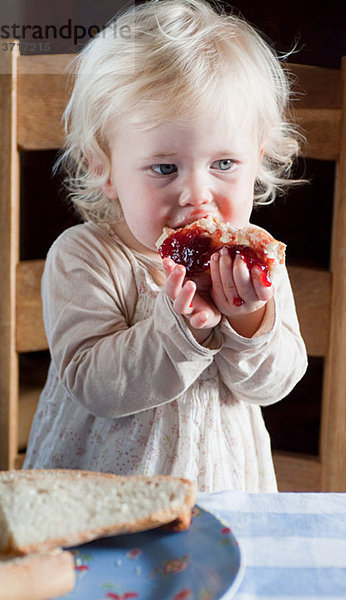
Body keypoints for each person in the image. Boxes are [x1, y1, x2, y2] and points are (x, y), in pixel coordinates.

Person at [24, 0, 307, 492]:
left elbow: (272, 384)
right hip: (100, 495)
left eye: (223, 164)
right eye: (164, 168)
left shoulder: (253, 264)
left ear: (256, 159)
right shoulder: (85, 257)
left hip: (222, 492)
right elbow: (95, 385)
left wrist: (247, 319)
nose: (196, 194)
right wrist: (177, 333)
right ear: (102, 167)